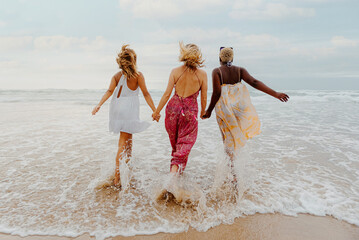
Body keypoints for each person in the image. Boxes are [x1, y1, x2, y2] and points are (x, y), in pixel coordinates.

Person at [202, 47, 289, 178]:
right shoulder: (240, 70)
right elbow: (254, 82)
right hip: (239, 107)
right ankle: (237, 168)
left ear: (220, 58)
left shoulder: (217, 71)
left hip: (225, 109)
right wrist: (275, 94)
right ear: (232, 58)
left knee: (227, 140)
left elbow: (217, 92)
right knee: (237, 137)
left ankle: (233, 174)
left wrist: (208, 110)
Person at [92, 44, 157, 187]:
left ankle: (126, 170)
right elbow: (146, 94)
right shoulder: (138, 76)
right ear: (134, 61)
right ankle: (117, 179)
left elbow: (109, 92)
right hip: (129, 109)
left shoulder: (116, 76)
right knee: (123, 142)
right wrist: (155, 110)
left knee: (128, 141)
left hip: (117, 108)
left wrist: (99, 104)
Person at [152, 42, 208, 174]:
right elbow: (204, 97)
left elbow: (167, 94)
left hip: (172, 108)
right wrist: (203, 112)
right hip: (189, 111)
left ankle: (176, 174)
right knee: (184, 145)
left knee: (176, 145)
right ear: (198, 56)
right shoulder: (202, 74)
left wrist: (157, 111)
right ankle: (173, 178)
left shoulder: (175, 71)